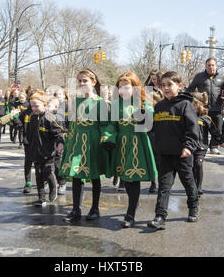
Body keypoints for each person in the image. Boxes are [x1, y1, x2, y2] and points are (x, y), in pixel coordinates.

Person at [59, 69, 113, 223]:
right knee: (76, 176)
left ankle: (95, 209)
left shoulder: (101, 103)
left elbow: (104, 125)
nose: (82, 84)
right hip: (77, 143)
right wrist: (68, 143)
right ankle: (76, 209)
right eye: (80, 81)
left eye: (85, 81)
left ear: (93, 82)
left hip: (93, 144)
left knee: (95, 177)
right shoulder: (75, 102)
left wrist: (105, 140)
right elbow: (73, 125)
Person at [147, 71, 200, 230]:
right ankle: (160, 216)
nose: (166, 88)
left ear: (179, 86)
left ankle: (193, 207)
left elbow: (193, 129)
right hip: (165, 154)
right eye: (163, 85)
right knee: (164, 186)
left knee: (188, 183)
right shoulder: (160, 106)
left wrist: (188, 147)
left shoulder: (185, 105)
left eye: (169, 84)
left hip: (182, 154)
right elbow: (153, 129)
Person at [106, 72, 158, 228]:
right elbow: (112, 125)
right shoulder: (116, 104)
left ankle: (130, 213)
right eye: (120, 87)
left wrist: (143, 113)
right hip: (122, 144)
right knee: (126, 180)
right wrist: (108, 137)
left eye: (126, 87)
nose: (123, 90)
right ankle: (133, 207)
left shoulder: (144, 103)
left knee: (133, 178)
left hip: (138, 143)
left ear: (135, 87)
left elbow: (148, 125)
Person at [187, 58, 224, 155]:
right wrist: (197, 97)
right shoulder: (199, 77)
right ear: (205, 66)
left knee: (218, 128)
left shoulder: (222, 77)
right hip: (203, 108)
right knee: (203, 129)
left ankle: (214, 147)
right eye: (209, 65)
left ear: (216, 66)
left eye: (213, 65)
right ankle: (203, 146)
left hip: (217, 108)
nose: (211, 67)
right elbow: (190, 90)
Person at [26, 91, 64, 206]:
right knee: (38, 175)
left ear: (45, 105)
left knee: (47, 173)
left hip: (48, 152)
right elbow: (29, 134)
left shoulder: (50, 118)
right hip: (35, 152)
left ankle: (53, 187)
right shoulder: (32, 118)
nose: (34, 108)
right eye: (32, 106)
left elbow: (58, 133)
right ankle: (41, 198)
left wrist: (60, 144)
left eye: (36, 106)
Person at [191, 92, 218, 196]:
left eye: (192, 103)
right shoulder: (188, 116)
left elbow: (214, 132)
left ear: (197, 104)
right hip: (190, 145)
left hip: (201, 146)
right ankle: (192, 185)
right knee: (192, 166)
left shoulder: (206, 118)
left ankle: (199, 187)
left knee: (198, 164)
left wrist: (219, 140)